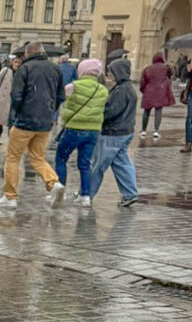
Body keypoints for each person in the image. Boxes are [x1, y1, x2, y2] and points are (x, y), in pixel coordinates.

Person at [0, 42, 66, 209]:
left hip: (25, 122)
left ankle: (10, 196)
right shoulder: (55, 69)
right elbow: (60, 96)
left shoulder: (24, 69)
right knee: (37, 157)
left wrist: (17, 115)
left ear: (27, 54)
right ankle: (53, 183)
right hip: (45, 123)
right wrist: (50, 112)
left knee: (13, 158)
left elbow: (17, 95)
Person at [54, 58, 108, 206]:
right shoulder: (102, 90)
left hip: (73, 128)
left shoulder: (73, 87)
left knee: (61, 159)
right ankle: (85, 196)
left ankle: (60, 192)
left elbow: (60, 100)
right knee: (85, 164)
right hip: (93, 131)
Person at [90, 57, 140, 207]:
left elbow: (112, 111)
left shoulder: (122, 90)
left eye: (111, 72)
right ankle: (130, 193)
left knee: (97, 165)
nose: (109, 74)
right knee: (121, 163)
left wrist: (99, 115)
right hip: (125, 131)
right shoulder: (126, 88)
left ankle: (86, 193)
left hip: (114, 132)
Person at [138, 51, 174, 139]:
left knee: (146, 111)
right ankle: (156, 131)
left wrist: (143, 90)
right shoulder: (165, 68)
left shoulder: (147, 68)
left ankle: (143, 130)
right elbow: (171, 74)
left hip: (148, 91)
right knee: (158, 111)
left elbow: (143, 81)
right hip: (160, 92)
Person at [0, 54, 18, 148]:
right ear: (12, 62)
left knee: (12, 120)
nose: (17, 64)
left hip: (14, 100)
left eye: (19, 62)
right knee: (0, 120)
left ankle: (11, 139)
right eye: (15, 62)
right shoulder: (5, 70)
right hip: (2, 98)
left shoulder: (22, 72)